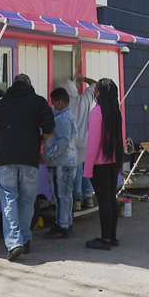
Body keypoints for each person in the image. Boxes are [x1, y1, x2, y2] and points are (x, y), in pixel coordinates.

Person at [0, 73, 55, 261]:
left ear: (13, 85)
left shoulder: (1, 104)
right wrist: (40, 140)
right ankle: (25, 240)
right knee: (27, 201)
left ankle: (14, 243)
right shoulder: (37, 101)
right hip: (30, 158)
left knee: (9, 200)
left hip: (6, 158)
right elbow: (49, 125)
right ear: (29, 85)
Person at [83, 78, 123, 250]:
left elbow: (93, 144)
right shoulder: (116, 111)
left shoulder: (96, 112)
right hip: (114, 161)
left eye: (96, 89)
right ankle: (112, 237)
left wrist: (87, 170)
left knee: (104, 200)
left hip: (100, 163)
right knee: (111, 199)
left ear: (99, 93)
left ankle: (105, 239)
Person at [42, 87, 78, 239]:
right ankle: (64, 223)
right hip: (65, 162)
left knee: (61, 195)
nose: (52, 106)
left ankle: (62, 226)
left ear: (60, 102)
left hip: (62, 163)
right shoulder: (66, 116)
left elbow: (63, 141)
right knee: (64, 195)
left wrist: (48, 156)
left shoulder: (63, 119)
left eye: (54, 102)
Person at [59, 75, 97, 212]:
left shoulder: (64, 106)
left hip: (72, 143)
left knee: (76, 170)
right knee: (85, 170)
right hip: (86, 141)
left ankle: (77, 200)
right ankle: (88, 197)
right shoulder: (85, 99)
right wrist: (83, 79)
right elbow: (96, 84)